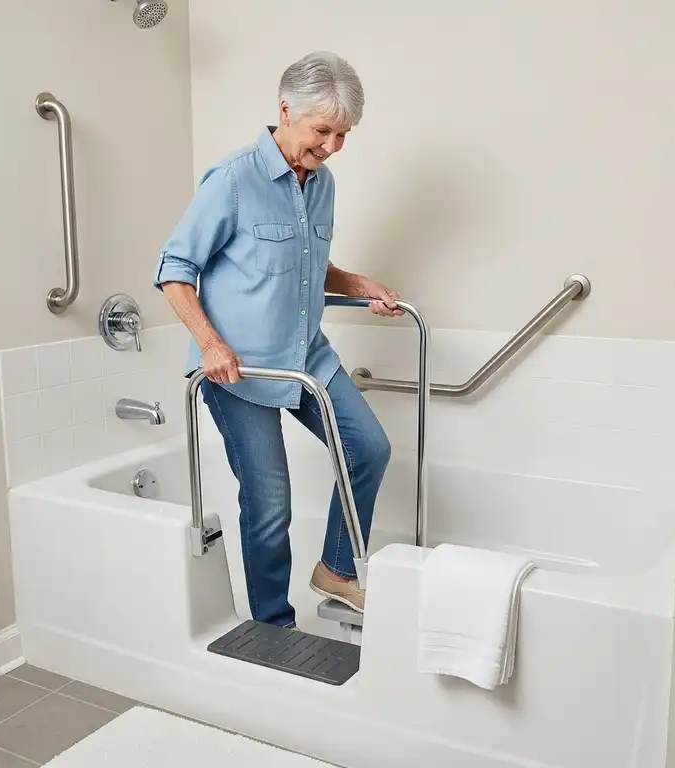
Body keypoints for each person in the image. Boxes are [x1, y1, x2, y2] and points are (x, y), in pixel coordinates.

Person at [153, 51, 400, 629]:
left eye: (343, 134)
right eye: (323, 131)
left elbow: (310, 264)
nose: (333, 146)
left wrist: (357, 284)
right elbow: (174, 268)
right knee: (270, 501)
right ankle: (272, 625)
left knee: (369, 447)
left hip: (306, 356)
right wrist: (211, 346)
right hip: (239, 372)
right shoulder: (233, 179)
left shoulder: (323, 184)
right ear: (285, 110)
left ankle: (337, 571)